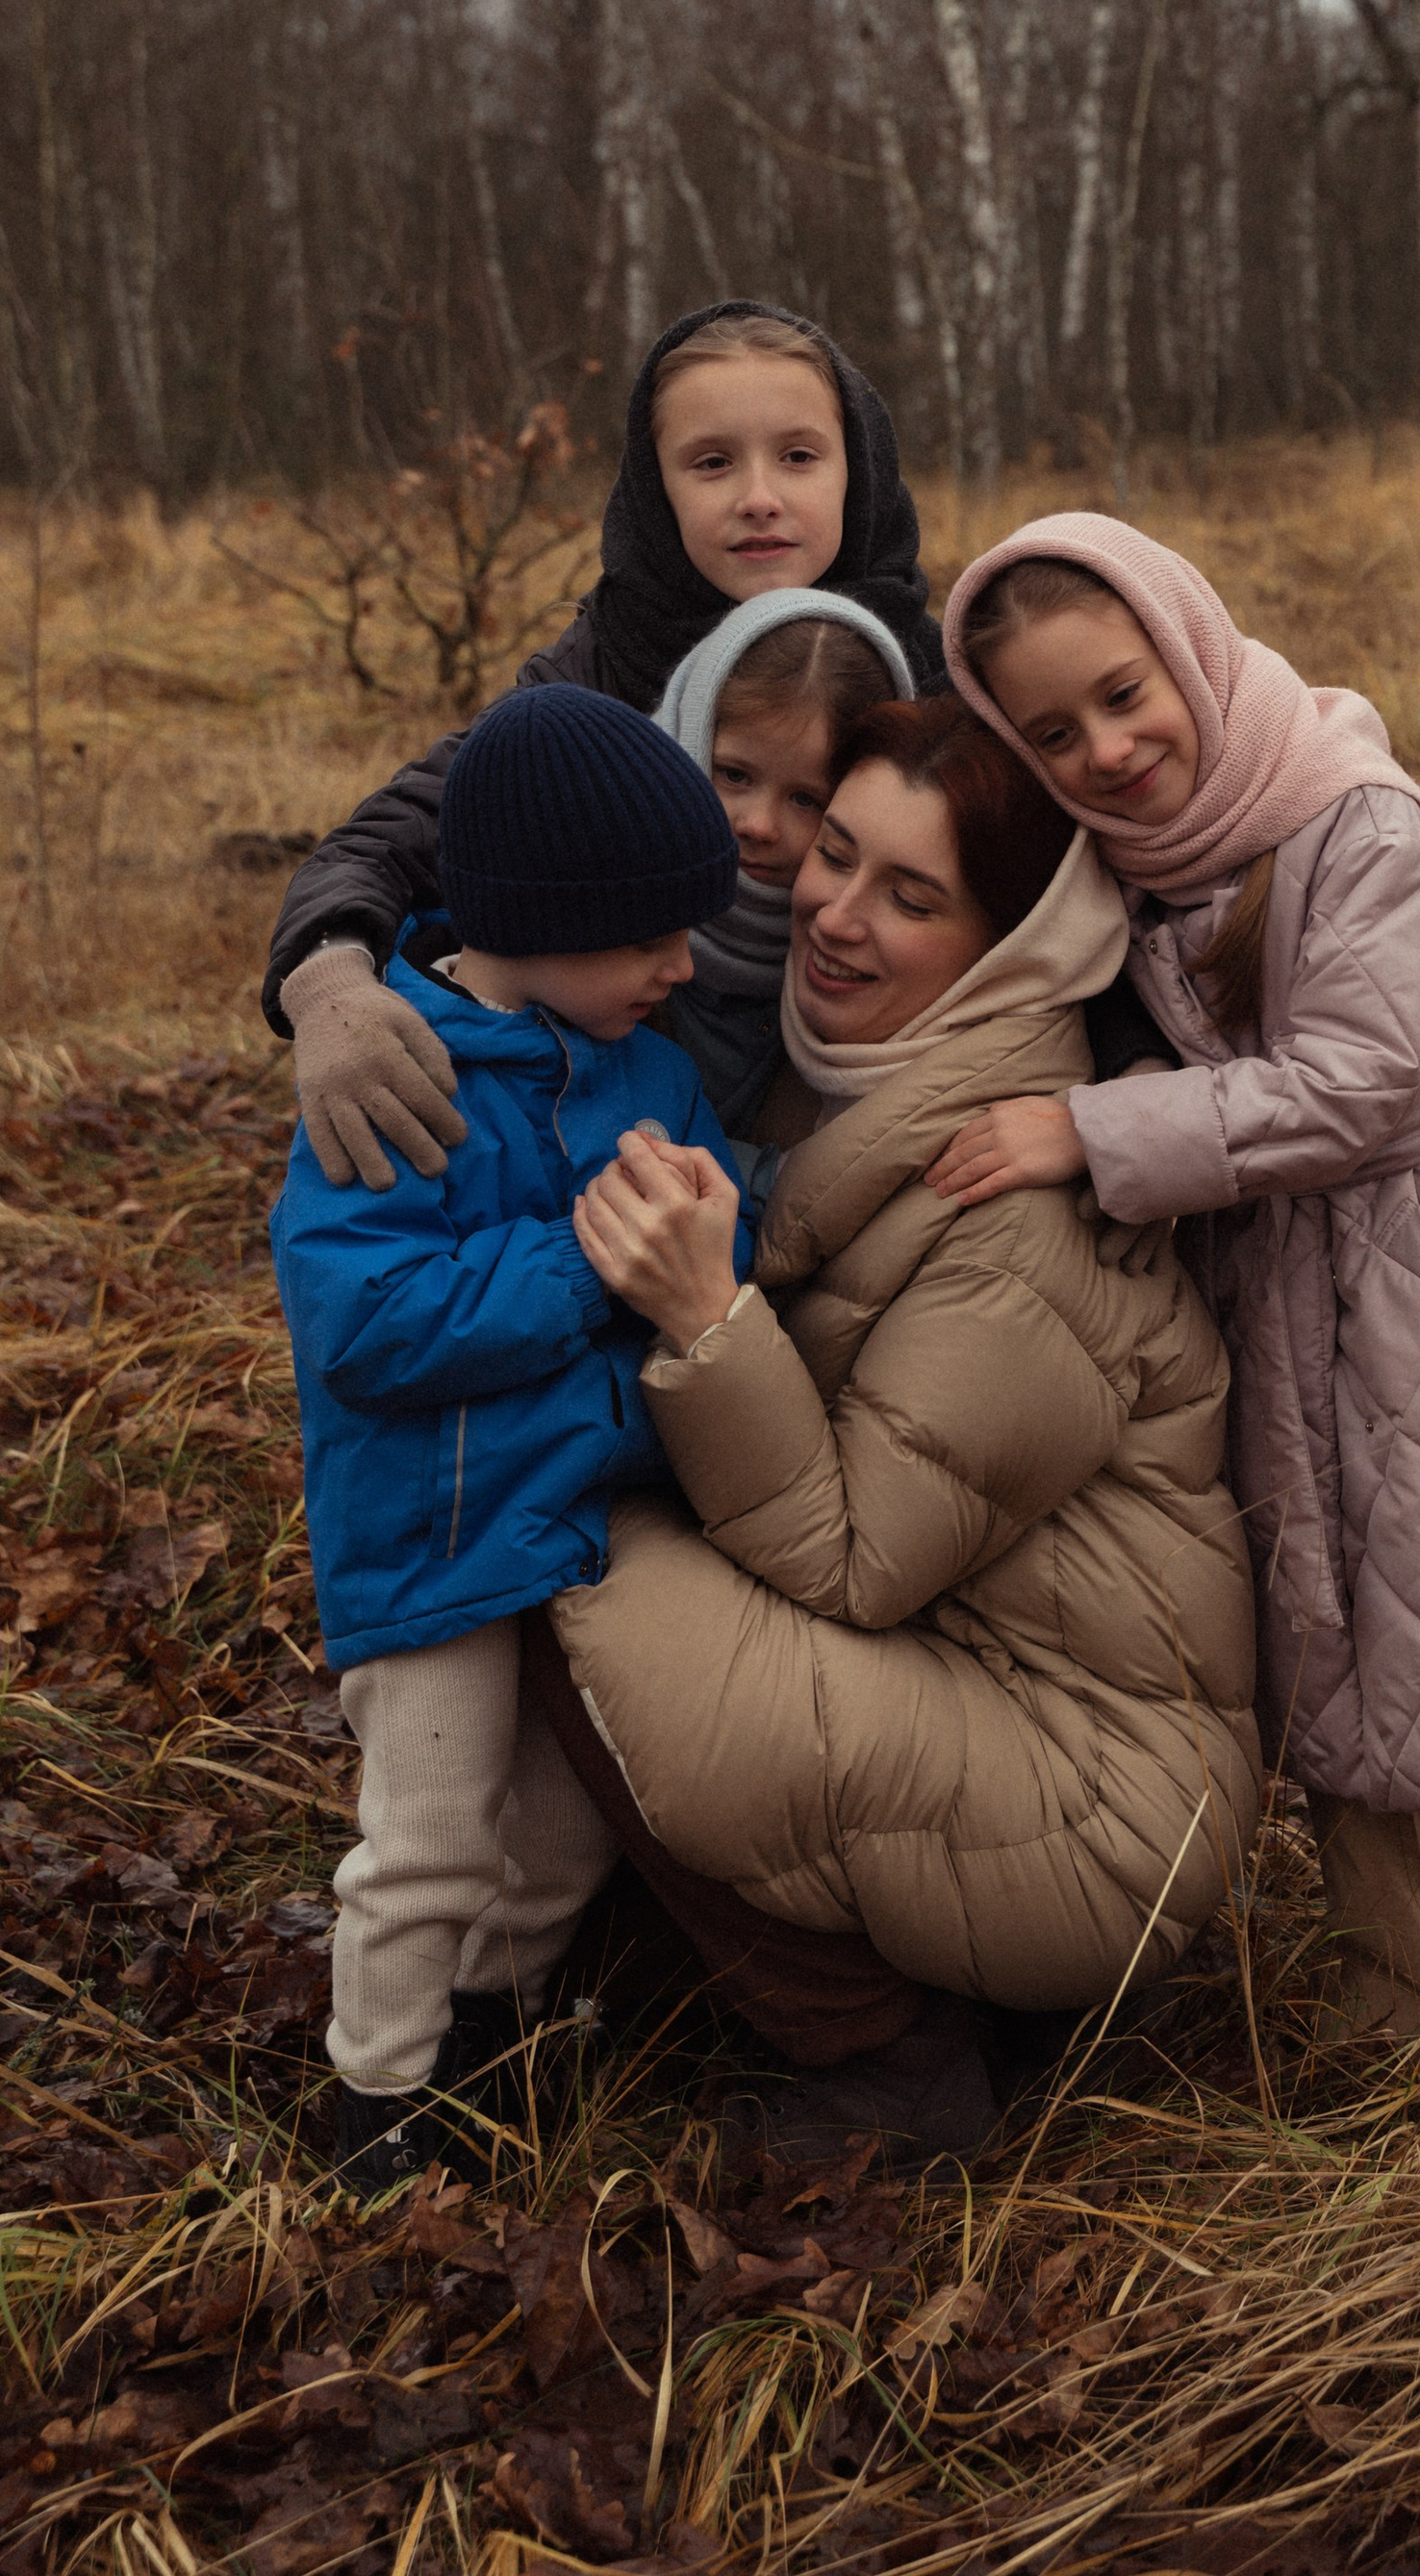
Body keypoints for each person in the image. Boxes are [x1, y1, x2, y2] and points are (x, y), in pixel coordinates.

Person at [934, 518, 1420, 2121]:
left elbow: (1356, 1086)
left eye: (1125, 690)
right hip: (1279, 1288)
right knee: (1334, 1648)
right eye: (1056, 730)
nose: (1111, 746)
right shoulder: (1139, 866)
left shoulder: (1356, 818)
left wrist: (1091, 1134)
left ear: (1192, 643)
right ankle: (1401, 2007)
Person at [539, 695, 1262, 2156]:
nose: (835, 912)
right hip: (964, 1699)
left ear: (1013, 946)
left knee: (550, 1561)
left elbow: (859, 1551)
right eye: (836, 850)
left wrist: (707, 1321)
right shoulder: (837, 1073)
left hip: (1094, 1810)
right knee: (537, 1515)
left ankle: (888, 2057)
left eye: (910, 894)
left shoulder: (1030, 1200)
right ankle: (599, 1962)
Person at [268, 682, 757, 2194]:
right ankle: (380, 2106)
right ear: (530, 918)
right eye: (646, 936)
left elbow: (725, 1209)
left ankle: (495, 2040)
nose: (683, 968)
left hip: (586, 1526)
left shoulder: (651, 1070)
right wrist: (592, 1259)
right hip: (430, 1544)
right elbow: (364, 1321)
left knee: (566, 1828)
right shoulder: (401, 1080)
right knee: (427, 1832)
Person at [267, 302, 946, 1191]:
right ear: (653, 487)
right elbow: (395, 836)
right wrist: (329, 983)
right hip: (624, 1143)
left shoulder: (935, 677)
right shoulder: (599, 671)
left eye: (799, 456)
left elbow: (1063, 894)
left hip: (882, 1131)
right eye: (710, 462)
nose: (759, 497)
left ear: (859, 470)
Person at [649, 590, 915, 1133]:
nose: (758, 825)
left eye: (806, 800)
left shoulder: (869, 953)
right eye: (734, 775)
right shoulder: (595, 890)